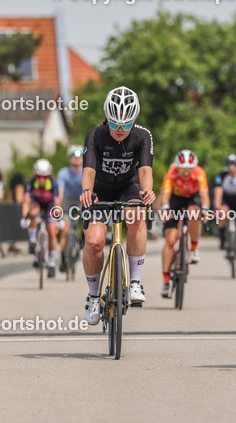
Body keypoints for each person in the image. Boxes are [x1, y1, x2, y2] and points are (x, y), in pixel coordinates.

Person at [79, 86, 155, 324]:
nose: (120, 129)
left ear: (134, 120)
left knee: (136, 216)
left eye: (126, 124)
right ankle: (93, 296)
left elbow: (145, 170)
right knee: (94, 242)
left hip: (128, 187)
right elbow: (89, 171)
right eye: (114, 124)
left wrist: (147, 192)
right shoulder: (95, 135)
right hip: (99, 190)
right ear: (107, 119)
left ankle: (135, 282)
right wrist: (86, 192)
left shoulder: (142, 136)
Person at [159, 149, 208, 297]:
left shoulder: (199, 173)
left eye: (189, 169)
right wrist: (165, 208)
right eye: (182, 169)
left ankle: (194, 249)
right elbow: (165, 194)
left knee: (194, 214)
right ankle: (166, 281)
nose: (186, 172)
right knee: (170, 240)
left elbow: (204, 195)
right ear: (177, 167)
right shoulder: (172, 172)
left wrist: (205, 209)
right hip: (176, 199)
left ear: (193, 167)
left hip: (193, 198)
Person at [23, 158, 60, 278]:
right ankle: (33, 240)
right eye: (39, 176)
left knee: (51, 231)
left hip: (49, 206)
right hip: (36, 205)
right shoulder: (30, 183)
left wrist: (57, 217)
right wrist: (24, 217)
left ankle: (52, 262)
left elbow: (57, 204)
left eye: (45, 177)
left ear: (49, 176)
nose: (42, 179)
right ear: (35, 175)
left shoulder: (53, 184)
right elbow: (26, 202)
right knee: (32, 211)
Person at [57, 145, 85, 272]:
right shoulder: (63, 173)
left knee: (86, 219)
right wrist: (58, 207)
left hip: (81, 200)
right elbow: (60, 193)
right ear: (69, 159)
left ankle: (82, 240)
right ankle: (63, 258)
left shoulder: (85, 172)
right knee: (66, 230)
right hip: (68, 202)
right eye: (73, 156)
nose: (76, 159)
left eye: (79, 157)